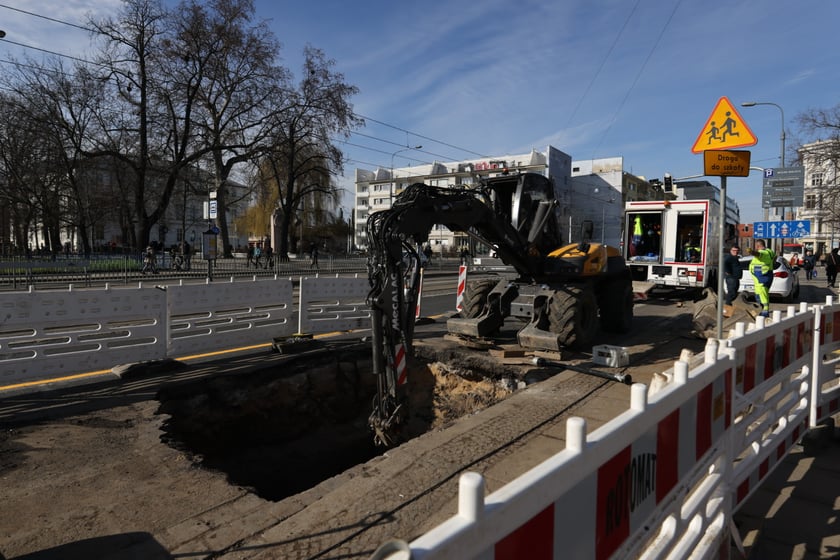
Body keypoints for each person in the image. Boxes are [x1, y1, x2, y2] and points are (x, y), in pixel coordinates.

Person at [749, 239, 775, 318]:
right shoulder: (770, 252)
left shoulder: (763, 253)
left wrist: (751, 252)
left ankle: (764, 311)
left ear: (757, 246)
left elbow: (757, 254)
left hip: (761, 277)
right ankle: (763, 310)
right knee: (762, 293)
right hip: (764, 275)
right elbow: (775, 257)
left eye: (756, 246)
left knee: (761, 294)